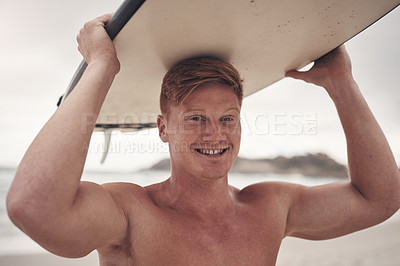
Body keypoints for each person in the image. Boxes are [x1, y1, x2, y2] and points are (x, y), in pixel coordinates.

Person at [6, 14, 400, 265]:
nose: (216, 133)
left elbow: (379, 199)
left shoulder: (269, 207)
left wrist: (342, 84)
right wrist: (103, 66)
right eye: (196, 119)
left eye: (228, 118)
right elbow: (34, 206)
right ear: (163, 128)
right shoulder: (130, 214)